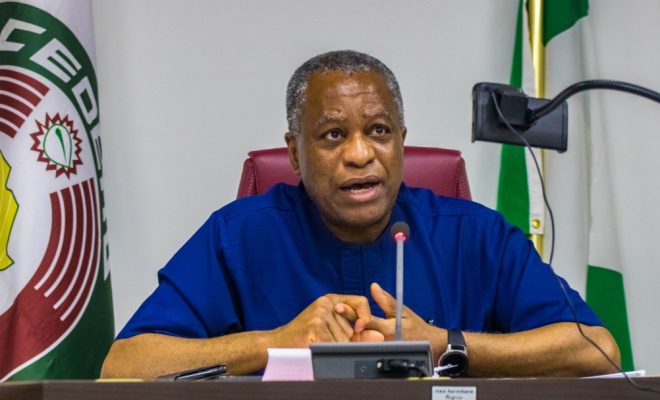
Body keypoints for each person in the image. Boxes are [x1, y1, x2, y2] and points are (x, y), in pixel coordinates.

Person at [101, 50, 620, 380]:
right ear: (295, 153)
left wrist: (446, 344)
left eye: (378, 131)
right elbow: (124, 365)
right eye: (333, 135)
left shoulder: (475, 234)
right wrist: (273, 344)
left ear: (401, 142)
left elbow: (598, 350)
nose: (359, 154)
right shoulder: (240, 235)